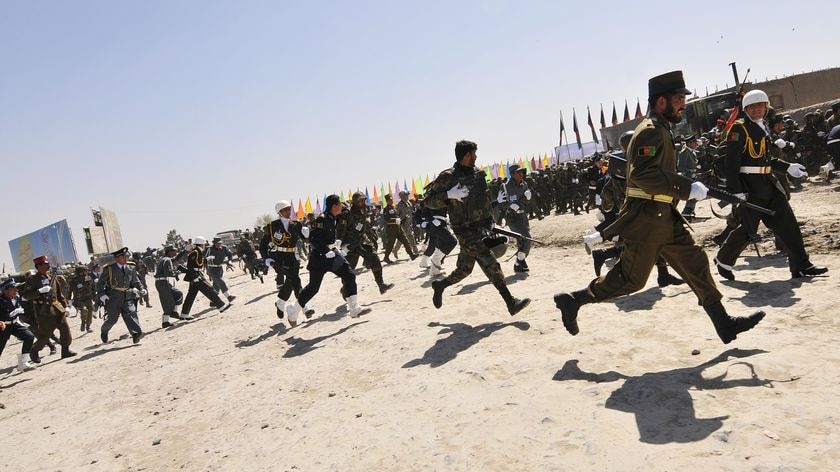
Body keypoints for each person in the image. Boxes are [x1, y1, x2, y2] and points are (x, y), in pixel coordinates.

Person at [553, 71, 765, 344]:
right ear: (661, 101)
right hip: (647, 221)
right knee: (631, 280)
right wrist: (685, 188)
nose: (683, 105)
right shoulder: (651, 131)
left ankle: (724, 324)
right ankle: (574, 300)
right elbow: (642, 176)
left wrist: (684, 187)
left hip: (665, 216)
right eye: (679, 99)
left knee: (695, 263)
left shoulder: (661, 129)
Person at [714, 89, 828, 280]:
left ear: (766, 107)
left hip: (769, 183)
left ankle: (801, 265)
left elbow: (767, 160)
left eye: (761, 106)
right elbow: (731, 163)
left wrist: (788, 167)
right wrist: (736, 192)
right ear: (746, 109)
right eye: (753, 106)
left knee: (788, 224)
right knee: (748, 229)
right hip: (750, 186)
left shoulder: (763, 126)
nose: (758, 109)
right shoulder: (739, 128)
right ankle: (723, 259)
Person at [424, 140, 530, 316]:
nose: (476, 156)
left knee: (464, 270)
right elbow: (427, 201)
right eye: (474, 153)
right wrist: (448, 195)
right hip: (463, 230)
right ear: (466, 155)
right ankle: (510, 301)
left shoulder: (478, 174)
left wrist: (491, 220)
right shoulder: (448, 177)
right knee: (490, 262)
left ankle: (440, 285)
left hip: (480, 228)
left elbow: (484, 200)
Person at [286, 195, 369, 323]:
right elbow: (313, 240)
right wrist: (325, 251)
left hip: (332, 254)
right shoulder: (322, 219)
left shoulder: (334, 218)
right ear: (334, 206)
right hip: (319, 258)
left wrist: (336, 245)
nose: (342, 206)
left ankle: (354, 308)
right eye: (340, 204)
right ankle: (294, 311)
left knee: (349, 274)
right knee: (313, 288)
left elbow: (328, 237)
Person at [260, 200, 313, 321]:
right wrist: (267, 259)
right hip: (281, 258)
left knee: (290, 282)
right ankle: (305, 307)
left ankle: (280, 303)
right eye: (285, 210)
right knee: (295, 280)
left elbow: (305, 239)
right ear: (279, 212)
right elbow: (263, 245)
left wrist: (307, 233)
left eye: (289, 209)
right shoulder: (272, 226)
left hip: (293, 257)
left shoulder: (296, 224)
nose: (288, 212)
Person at [337, 192, 395, 294]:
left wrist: (372, 234)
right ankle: (344, 289)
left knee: (375, 259)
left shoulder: (364, 210)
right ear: (355, 202)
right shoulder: (347, 214)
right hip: (350, 244)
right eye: (360, 200)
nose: (363, 202)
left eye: (364, 200)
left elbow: (365, 224)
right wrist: (340, 245)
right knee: (348, 270)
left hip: (363, 241)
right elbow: (341, 230)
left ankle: (381, 285)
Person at [23, 255, 76, 361]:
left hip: (57, 308)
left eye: (47, 264)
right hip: (44, 311)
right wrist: (39, 291)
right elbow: (26, 296)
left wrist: (66, 307)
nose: (48, 266)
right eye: (45, 264)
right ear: (38, 266)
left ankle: (65, 351)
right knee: (45, 335)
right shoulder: (32, 279)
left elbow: (59, 294)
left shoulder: (52, 277)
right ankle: (34, 350)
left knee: (65, 331)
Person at [96, 247, 146, 344]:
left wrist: (141, 288)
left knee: (131, 313)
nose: (126, 258)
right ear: (117, 258)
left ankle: (136, 334)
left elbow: (135, 281)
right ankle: (104, 331)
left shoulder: (130, 267)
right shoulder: (109, 269)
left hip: (127, 295)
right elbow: (100, 284)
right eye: (124, 256)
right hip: (113, 297)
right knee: (112, 319)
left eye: (127, 256)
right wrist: (102, 294)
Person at [180, 236, 231, 319]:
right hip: (195, 275)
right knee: (209, 290)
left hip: (196, 274)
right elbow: (190, 266)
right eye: (204, 244)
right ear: (201, 244)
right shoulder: (195, 252)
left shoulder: (197, 251)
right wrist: (194, 277)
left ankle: (184, 313)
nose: (205, 245)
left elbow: (199, 262)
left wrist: (206, 259)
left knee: (191, 295)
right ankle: (221, 306)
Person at [497, 164, 533, 273]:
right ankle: (520, 260)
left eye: (521, 171)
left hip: (522, 216)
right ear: (512, 174)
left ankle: (519, 263)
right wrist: (508, 206)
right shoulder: (505, 186)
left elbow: (525, 202)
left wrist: (527, 199)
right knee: (526, 238)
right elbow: (501, 202)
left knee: (522, 240)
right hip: (512, 217)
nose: (521, 174)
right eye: (518, 172)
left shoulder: (524, 185)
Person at [0, 278, 38, 372]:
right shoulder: (1, 301)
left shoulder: (16, 297)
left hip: (15, 323)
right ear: (5, 290)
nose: (16, 290)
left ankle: (23, 363)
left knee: (29, 336)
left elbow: (25, 299)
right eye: (13, 288)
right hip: (3, 326)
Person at [154, 245, 184, 328]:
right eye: (174, 250)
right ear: (169, 252)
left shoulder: (165, 259)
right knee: (167, 301)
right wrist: (177, 272)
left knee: (178, 294)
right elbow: (169, 273)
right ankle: (165, 322)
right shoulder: (166, 260)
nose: (175, 252)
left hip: (164, 282)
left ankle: (174, 312)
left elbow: (170, 268)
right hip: (162, 282)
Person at [382, 194, 418, 263]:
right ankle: (386, 258)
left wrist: (402, 220)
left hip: (398, 229)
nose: (391, 201)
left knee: (405, 241)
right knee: (390, 245)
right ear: (387, 201)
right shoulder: (386, 209)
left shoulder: (394, 207)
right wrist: (395, 220)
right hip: (391, 230)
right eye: (389, 200)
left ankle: (411, 255)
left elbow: (397, 216)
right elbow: (387, 219)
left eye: (392, 200)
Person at [206, 237, 236, 303]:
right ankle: (229, 296)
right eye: (217, 243)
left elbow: (230, 255)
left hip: (220, 268)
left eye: (220, 243)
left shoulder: (224, 248)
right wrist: (207, 259)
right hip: (212, 269)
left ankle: (213, 302)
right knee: (220, 281)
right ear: (214, 243)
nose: (219, 245)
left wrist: (230, 261)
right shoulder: (209, 249)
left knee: (216, 286)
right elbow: (202, 258)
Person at [68, 265, 96, 333]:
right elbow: (69, 290)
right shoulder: (74, 281)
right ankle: (83, 322)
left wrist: (94, 296)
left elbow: (93, 287)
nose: (84, 273)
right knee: (84, 310)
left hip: (88, 298)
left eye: (85, 271)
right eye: (82, 271)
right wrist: (69, 300)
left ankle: (88, 326)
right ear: (78, 272)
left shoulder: (88, 278)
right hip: (79, 300)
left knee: (90, 311)